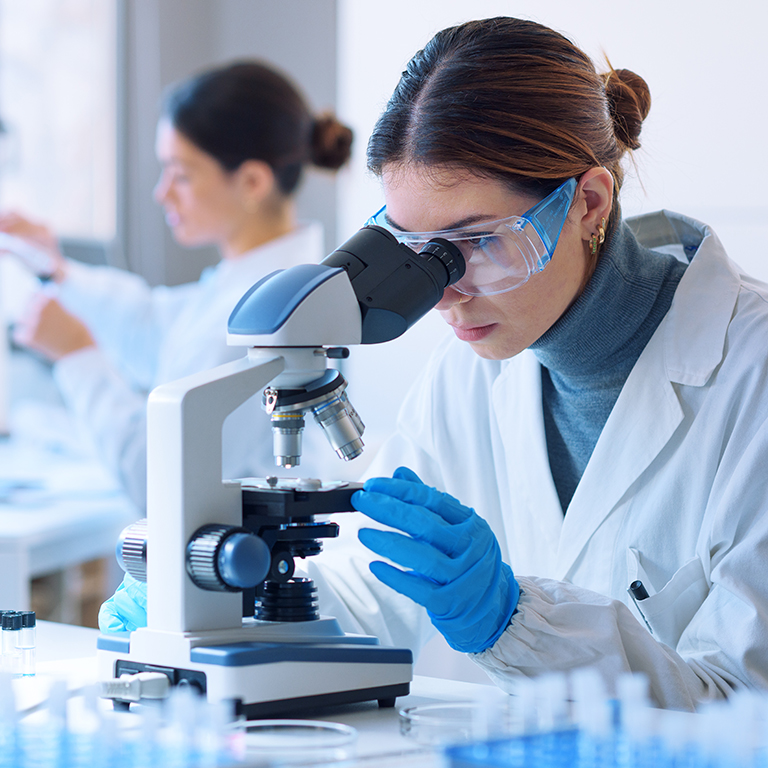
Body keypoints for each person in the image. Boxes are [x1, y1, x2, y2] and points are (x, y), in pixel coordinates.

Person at [100, 17, 768, 711]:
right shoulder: (473, 367)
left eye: (474, 242)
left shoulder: (751, 375)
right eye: (417, 249)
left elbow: (746, 707)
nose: (443, 291)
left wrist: (511, 621)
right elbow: (380, 583)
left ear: (588, 203)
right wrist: (221, 595)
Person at [0, 61, 353, 510]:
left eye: (181, 174)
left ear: (251, 181)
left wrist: (77, 358)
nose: (161, 192)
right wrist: (56, 271)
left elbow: (162, 481)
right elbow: (153, 324)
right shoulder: (251, 286)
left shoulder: (270, 318)